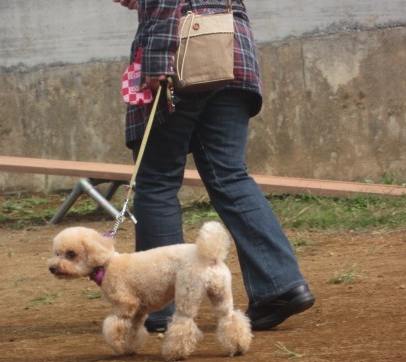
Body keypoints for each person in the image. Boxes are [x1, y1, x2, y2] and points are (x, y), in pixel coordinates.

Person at [112, 0, 315, 332]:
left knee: (157, 183)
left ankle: (159, 308)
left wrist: (159, 57)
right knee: (230, 175)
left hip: (183, 57)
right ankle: (280, 285)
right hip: (233, 57)